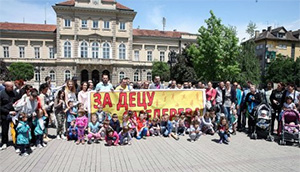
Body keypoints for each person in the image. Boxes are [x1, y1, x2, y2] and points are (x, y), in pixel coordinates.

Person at [0, 81, 17, 150]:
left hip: (14, 114)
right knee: (5, 129)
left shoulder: (14, 93)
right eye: (11, 87)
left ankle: (16, 141)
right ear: (6, 87)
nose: (12, 88)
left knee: (16, 128)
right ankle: (4, 142)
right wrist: (8, 112)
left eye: (13, 87)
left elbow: (18, 101)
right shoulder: (1, 94)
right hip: (5, 114)